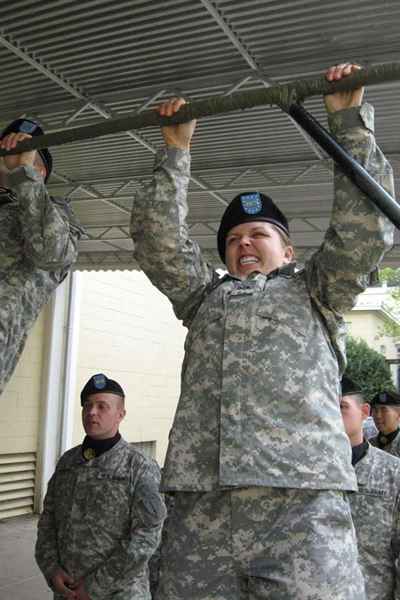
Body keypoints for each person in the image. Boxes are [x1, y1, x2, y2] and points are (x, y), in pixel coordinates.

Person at [130, 62, 395, 599]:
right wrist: (175, 152)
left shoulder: (318, 290)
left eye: (259, 234)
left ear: (289, 250)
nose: (245, 244)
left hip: (301, 508)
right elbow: (157, 240)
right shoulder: (205, 297)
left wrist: (346, 122)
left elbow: (365, 229)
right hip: (202, 509)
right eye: (233, 239)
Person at [35, 373, 166, 600]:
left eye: (102, 406)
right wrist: (52, 570)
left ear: (120, 414)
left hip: (119, 593)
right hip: (68, 591)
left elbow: (146, 536)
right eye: (87, 405)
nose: (91, 412)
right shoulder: (68, 462)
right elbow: (48, 521)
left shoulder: (139, 466)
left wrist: (95, 586)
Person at [0, 117, 83, 396]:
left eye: (27, 156)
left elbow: (51, 253)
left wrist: (23, 173)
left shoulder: (56, 216)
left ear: (41, 171)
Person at [340, 375, 400, 600]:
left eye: (341, 407)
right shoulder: (303, 474)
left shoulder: (393, 473)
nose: (330, 415)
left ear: (363, 412)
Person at [370, 390, 400, 456]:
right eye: (375, 410)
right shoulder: (369, 445)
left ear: (398, 414)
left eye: (384, 410)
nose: (378, 416)